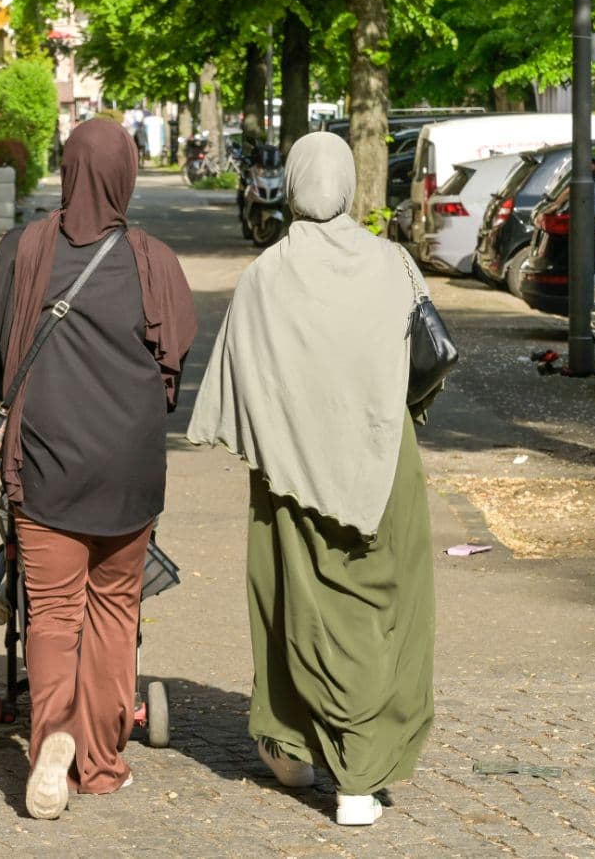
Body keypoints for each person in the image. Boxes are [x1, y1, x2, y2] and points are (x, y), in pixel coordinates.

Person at [186, 130, 436, 828]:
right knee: (386, 612)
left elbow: (237, 378)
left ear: (294, 186)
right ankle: (360, 777)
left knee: (291, 603)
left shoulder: (266, 275)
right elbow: (422, 359)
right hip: (383, 467)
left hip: (290, 474)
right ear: (350, 185)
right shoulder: (392, 263)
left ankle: (292, 748)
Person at [0, 118, 196, 820]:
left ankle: (52, 743)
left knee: (54, 612)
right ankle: (99, 761)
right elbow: (175, 358)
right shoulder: (153, 260)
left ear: (67, 171)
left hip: (46, 465)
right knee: (114, 612)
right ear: (126, 174)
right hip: (128, 472)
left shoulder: (25, 247)